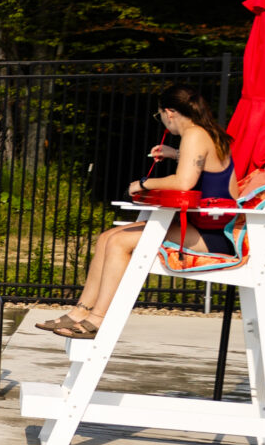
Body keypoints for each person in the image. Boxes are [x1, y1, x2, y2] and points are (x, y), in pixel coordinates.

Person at [38, 85, 238, 338]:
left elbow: (184, 182)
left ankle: (98, 320)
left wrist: (142, 183)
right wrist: (175, 154)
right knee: (106, 238)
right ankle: (80, 311)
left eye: (160, 116)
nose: (164, 122)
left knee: (119, 242)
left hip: (214, 238)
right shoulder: (207, 133)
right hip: (206, 228)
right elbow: (205, 166)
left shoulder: (195, 134)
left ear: (169, 112)